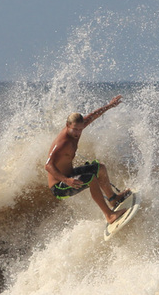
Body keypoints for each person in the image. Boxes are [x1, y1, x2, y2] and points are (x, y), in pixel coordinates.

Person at [45, 95, 131, 224]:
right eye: (75, 129)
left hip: (69, 174)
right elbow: (48, 165)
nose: (78, 133)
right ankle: (109, 215)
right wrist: (66, 180)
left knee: (100, 168)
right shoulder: (63, 143)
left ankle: (113, 199)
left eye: (80, 129)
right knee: (91, 178)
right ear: (67, 125)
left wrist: (110, 105)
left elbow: (93, 115)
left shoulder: (77, 129)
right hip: (60, 186)